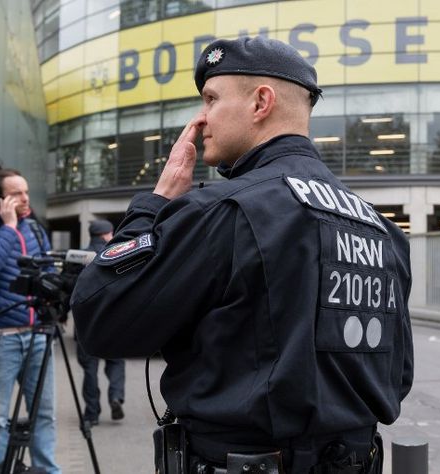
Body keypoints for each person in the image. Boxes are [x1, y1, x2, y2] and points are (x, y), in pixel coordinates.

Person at [71, 36, 413, 473]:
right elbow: (397, 377)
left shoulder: (222, 211)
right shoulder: (380, 228)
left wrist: (152, 206)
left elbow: (99, 318)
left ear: (261, 102)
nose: (201, 118)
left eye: (211, 99)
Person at [0, 169, 61, 473]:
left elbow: (47, 274)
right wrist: (8, 227)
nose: (25, 198)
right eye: (17, 193)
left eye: (26, 192)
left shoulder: (35, 229)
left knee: (42, 414)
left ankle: (47, 470)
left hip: (37, 335)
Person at [75, 219, 125, 426]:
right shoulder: (117, 254)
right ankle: (115, 396)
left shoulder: (78, 257)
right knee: (116, 363)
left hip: (85, 324)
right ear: (105, 235)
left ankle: (92, 413)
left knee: (89, 369)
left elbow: (70, 288)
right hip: (113, 322)